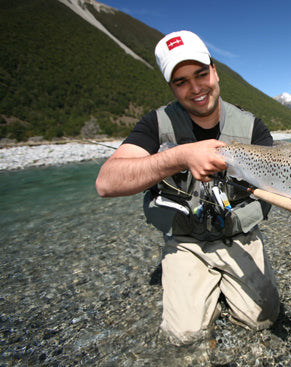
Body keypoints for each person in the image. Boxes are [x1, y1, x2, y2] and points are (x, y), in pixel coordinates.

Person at [96, 30, 280, 345]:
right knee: (185, 336)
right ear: (171, 87)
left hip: (238, 233)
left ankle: (220, 292)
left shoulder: (252, 128)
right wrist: (179, 156)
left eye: (201, 74)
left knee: (261, 320)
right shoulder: (155, 125)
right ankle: (204, 287)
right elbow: (106, 182)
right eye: (181, 81)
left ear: (215, 71)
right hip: (185, 239)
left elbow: (280, 182)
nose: (195, 88)